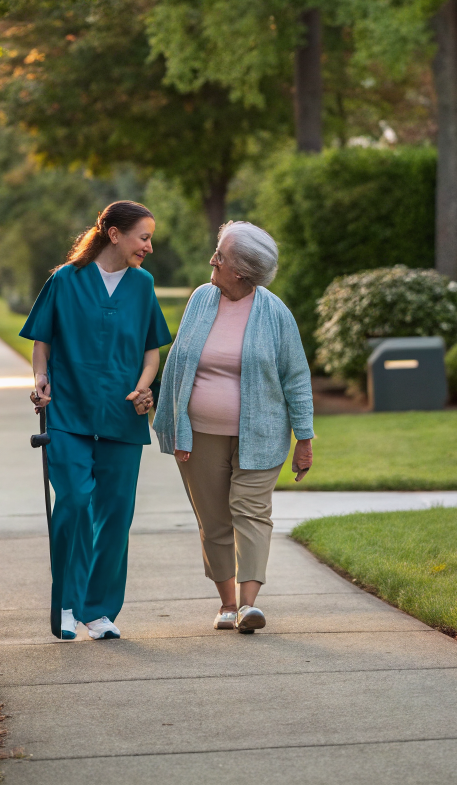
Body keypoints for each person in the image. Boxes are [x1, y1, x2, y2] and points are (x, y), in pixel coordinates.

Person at [21, 200, 173, 641]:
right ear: (114, 234)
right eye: (143, 237)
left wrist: (146, 386)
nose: (148, 246)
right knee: (73, 501)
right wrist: (40, 379)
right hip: (68, 413)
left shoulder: (142, 286)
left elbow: (151, 350)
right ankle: (67, 604)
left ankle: (99, 611)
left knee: (114, 516)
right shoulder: (65, 281)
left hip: (122, 418)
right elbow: (42, 342)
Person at [155, 221, 314, 634]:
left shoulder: (275, 313)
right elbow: (179, 362)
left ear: (241, 271)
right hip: (200, 436)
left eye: (220, 255)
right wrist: (176, 427)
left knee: (252, 513)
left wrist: (305, 438)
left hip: (260, 435)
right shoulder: (202, 299)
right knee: (214, 520)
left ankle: (249, 605)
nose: (213, 259)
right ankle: (227, 604)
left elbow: (296, 377)